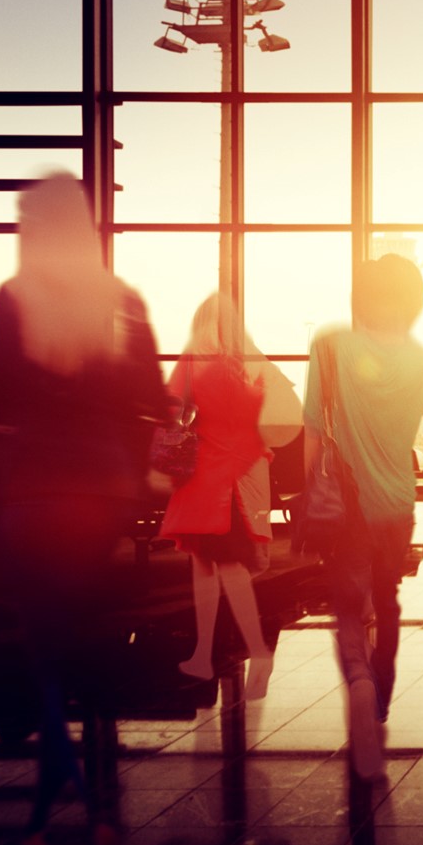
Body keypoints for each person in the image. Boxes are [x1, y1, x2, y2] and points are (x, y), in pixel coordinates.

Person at [0, 173, 164, 845]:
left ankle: (87, 811)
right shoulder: (122, 300)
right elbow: (149, 396)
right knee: (80, 643)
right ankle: (49, 816)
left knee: (46, 653)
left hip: (32, 495)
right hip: (105, 494)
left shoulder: (17, 297)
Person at [305, 254, 423, 780]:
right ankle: (383, 697)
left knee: (349, 605)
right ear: (415, 303)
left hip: (346, 508)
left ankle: (359, 681)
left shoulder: (330, 346)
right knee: (386, 599)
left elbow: (312, 431)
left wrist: (311, 490)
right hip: (397, 506)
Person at [165, 293, 301, 699]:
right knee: (227, 561)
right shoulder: (253, 362)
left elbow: (171, 410)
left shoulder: (193, 362)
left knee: (210, 564)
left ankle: (251, 649)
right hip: (246, 472)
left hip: (206, 476)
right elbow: (284, 413)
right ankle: (206, 652)